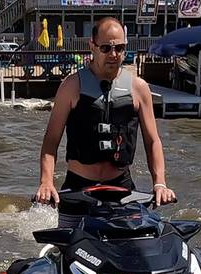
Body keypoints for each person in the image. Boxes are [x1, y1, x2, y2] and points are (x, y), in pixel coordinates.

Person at [36, 17, 174, 212]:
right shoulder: (71, 86)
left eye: (120, 48)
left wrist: (160, 183)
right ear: (92, 46)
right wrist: (46, 182)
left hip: (121, 186)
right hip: (78, 187)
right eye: (106, 48)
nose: (114, 54)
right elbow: (51, 140)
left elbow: (153, 141)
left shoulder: (139, 88)